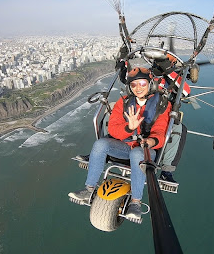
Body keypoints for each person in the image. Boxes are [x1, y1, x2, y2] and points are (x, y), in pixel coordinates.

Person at [68, 67, 171, 220]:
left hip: (146, 150)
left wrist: (150, 141)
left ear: (150, 84)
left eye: (142, 83)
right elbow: (114, 129)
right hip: (125, 145)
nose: (138, 88)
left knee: (137, 153)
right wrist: (129, 128)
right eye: (134, 85)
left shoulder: (161, 105)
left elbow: (161, 131)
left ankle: (135, 203)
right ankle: (88, 189)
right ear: (130, 87)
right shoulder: (123, 103)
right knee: (100, 144)